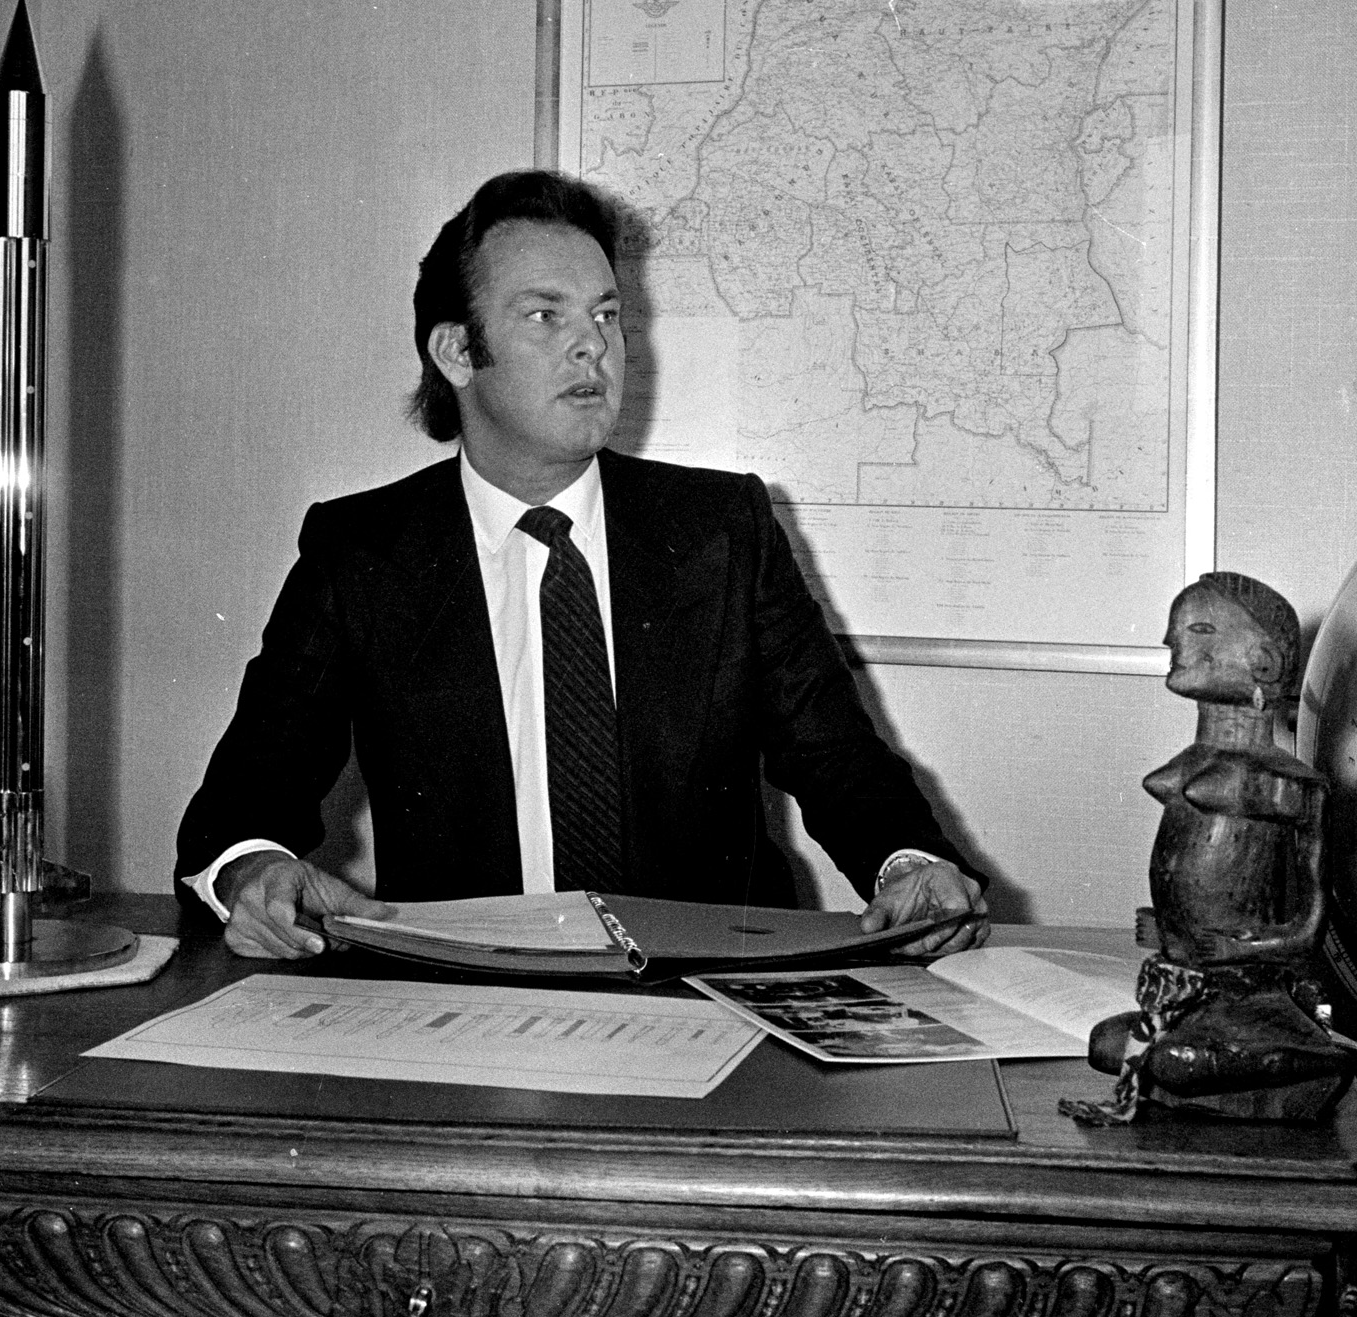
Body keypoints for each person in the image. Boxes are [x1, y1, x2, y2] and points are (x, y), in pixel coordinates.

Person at [176, 169, 987, 959]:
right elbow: (241, 806)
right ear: (457, 351)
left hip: (708, 990)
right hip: (466, 999)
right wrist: (253, 872)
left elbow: (838, 757)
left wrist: (909, 865)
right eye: (545, 315)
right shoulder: (364, 553)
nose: (593, 345)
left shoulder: (723, 528)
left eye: (606, 314)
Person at [1075, 572, 1353, 1121]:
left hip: (1251, 994)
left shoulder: (1289, 785)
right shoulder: (1195, 759)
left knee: (1176, 1062)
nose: (1171, 642)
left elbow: (1309, 923)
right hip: (1188, 991)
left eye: (1200, 630)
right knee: (1104, 1043)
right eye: (1176, 631)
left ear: (1264, 663)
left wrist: (1248, 948)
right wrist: (1167, 929)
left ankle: (1308, 1061)